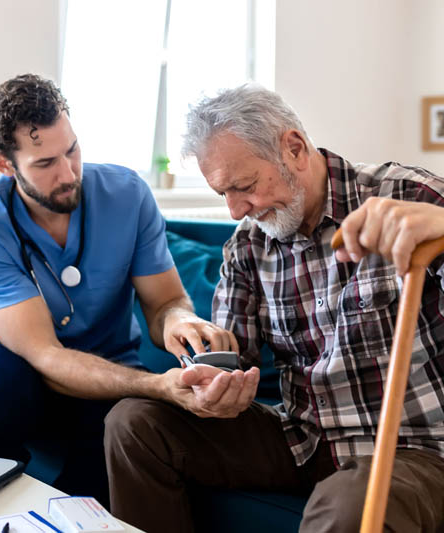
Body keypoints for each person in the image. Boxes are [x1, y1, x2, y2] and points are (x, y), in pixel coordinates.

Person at [104, 84, 444, 533]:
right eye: (223, 194)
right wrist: (213, 385)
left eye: (243, 187)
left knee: (349, 505)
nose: (234, 211)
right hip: (302, 438)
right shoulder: (247, 245)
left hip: (415, 450)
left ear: (294, 149)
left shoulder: (409, 197)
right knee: (133, 423)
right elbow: (232, 358)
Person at [0, 74, 254, 503]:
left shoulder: (127, 195)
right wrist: (156, 385)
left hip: (108, 363)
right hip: (22, 366)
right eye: (45, 163)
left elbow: (166, 302)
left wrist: (181, 321)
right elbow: (45, 355)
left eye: (72, 150)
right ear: (4, 164)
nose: (68, 174)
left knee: (106, 472)